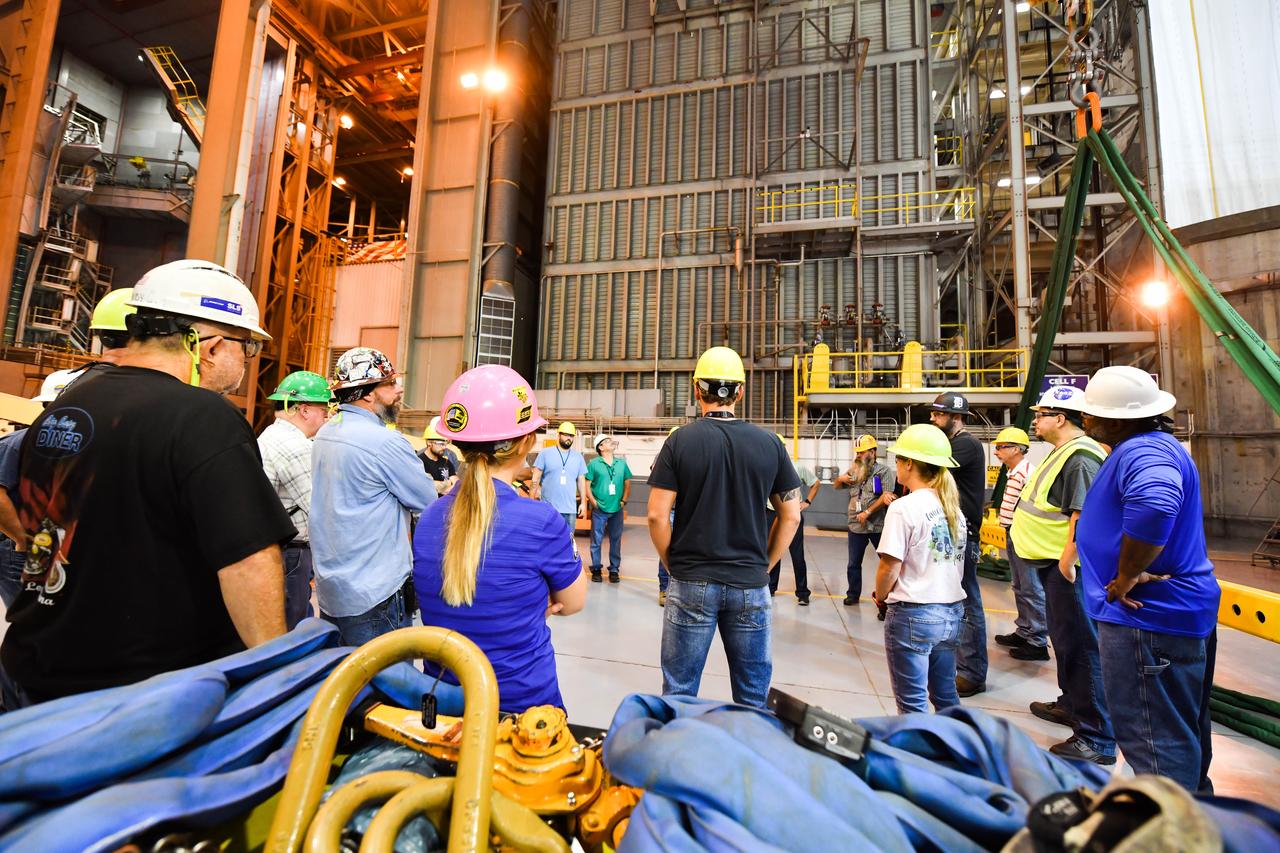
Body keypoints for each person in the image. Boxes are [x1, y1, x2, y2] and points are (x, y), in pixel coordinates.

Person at [0, 259, 293, 708]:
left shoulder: (66, 406)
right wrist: (277, 675)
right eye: (245, 348)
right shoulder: (204, 417)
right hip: (140, 696)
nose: (245, 362)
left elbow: (36, 526)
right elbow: (248, 561)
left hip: (34, 669)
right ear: (210, 346)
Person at [1078, 366, 1219, 792]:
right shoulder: (1152, 446)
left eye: (1091, 413)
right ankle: (1195, 819)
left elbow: (1156, 504)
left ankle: (1172, 833)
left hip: (1147, 622)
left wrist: (1125, 576)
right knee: (1178, 731)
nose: (1085, 419)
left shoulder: (1143, 452)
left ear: (1117, 419)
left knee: (1156, 743)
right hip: (1166, 617)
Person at [414, 366, 587, 714]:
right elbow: (571, 602)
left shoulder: (431, 517)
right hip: (522, 710)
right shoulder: (541, 521)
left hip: (444, 705)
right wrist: (531, 603)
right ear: (527, 441)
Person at [647, 346, 801, 709]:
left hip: (692, 580)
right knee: (752, 696)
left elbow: (656, 515)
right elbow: (791, 514)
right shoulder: (770, 444)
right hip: (750, 584)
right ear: (741, 392)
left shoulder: (680, 441)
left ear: (697, 390)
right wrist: (765, 565)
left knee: (680, 692)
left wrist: (674, 567)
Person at [1011, 385, 1115, 766]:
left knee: (1083, 646)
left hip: (1069, 569)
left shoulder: (1081, 457)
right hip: (1055, 565)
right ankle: (1072, 704)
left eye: (1041, 415)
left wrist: (1068, 561)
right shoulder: (1063, 453)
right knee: (1066, 641)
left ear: (1061, 418)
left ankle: (1098, 738)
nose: (1035, 421)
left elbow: (1082, 514)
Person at [310, 347, 437, 646]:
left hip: (333, 591)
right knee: (387, 684)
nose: (399, 388)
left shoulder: (326, 433)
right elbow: (427, 500)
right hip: (375, 594)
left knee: (344, 683)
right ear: (367, 394)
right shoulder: (385, 442)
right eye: (390, 383)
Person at [872, 424, 967, 714]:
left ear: (910, 464)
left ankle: (916, 757)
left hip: (915, 613)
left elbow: (890, 566)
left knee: (912, 705)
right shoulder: (952, 506)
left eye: (898, 459)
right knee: (946, 697)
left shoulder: (904, 507)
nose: (896, 465)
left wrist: (880, 595)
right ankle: (956, 752)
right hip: (951, 613)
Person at [258, 370, 332, 629]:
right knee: (292, 626)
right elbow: (320, 508)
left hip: (279, 550)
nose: (328, 415)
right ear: (303, 409)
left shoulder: (270, 435)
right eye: (324, 409)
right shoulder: (294, 446)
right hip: (292, 554)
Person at [928, 392, 988, 696]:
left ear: (957, 416)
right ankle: (959, 663)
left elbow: (931, 470)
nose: (933, 419)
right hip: (951, 532)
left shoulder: (965, 445)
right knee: (953, 599)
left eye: (939, 415)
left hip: (964, 536)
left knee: (967, 601)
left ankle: (973, 672)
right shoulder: (953, 444)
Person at [991, 427, 1048, 658]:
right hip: (1012, 533)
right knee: (1020, 585)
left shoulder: (1027, 473)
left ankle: (1037, 641)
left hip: (1023, 535)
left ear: (1016, 449)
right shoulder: (1013, 472)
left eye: (1001, 447)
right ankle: (1024, 630)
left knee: (1031, 587)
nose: (996, 452)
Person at [833, 434, 896, 605]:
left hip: (877, 526)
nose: (859, 455)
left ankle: (888, 598)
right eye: (858, 452)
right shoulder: (854, 470)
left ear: (873, 452)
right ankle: (853, 594)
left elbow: (886, 496)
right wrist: (840, 479)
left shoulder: (884, 471)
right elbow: (837, 486)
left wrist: (867, 512)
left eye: (863, 452)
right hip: (856, 526)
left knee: (887, 563)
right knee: (853, 563)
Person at [767, 434, 817, 605]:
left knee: (797, 554)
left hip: (791, 514)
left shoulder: (796, 467)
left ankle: (802, 592)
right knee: (772, 550)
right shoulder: (767, 466)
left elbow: (815, 483)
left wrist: (807, 502)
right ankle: (770, 587)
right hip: (770, 513)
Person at [585, 434, 632, 583]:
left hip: (617, 509)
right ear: (600, 447)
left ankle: (614, 570)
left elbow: (627, 482)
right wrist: (593, 502)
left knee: (616, 540)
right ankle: (596, 569)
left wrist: (623, 501)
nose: (611, 442)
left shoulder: (621, 463)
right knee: (596, 541)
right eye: (607, 441)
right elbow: (587, 485)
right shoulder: (593, 464)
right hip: (599, 510)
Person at [530, 421, 588, 529]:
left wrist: (583, 503)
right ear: (559, 435)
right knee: (547, 542)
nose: (569, 438)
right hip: (548, 510)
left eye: (571, 436)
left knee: (568, 543)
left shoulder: (578, 457)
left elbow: (581, 481)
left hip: (570, 511)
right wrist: (530, 502)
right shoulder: (545, 453)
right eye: (566, 435)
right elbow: (535, 479)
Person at [418, 417, 461, 495]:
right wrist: (448, 483)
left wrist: (441, 487)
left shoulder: (446, 462)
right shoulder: (419, 462)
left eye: (445, 444)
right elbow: (424, 485)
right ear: (429, 443)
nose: (444, 447)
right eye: (441, 444)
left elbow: (457, 484)